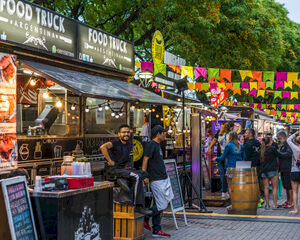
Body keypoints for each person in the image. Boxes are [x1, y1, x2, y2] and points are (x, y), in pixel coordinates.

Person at [100, 124, 151, 215]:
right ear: (119, 134)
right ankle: (138, 206)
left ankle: (122, 180)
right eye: (124, 132)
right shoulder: (115, 142)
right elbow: (103, 147)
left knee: (144, 173)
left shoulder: (129, 144)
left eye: (128, 132)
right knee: (136, 176)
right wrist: (110, 160)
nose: (126, 134)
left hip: (122, 170)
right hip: (113, 170)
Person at [142, 125, 173, 238]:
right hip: (156, 179)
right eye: (163, 133)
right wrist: (144, 175)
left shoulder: (157, 145)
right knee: (161, 204)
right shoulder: (151, 144)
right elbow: (145, 159)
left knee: (160, 203)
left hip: (162, 177)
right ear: (158, 134)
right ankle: (144, 217)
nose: (165, 135)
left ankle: (157, 229)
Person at [215, 131, 246, 209]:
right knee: (239, 186)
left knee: (231, 187)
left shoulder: (228, 146)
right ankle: (240, 203)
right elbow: (244, 157)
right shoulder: (241, 146)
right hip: (239, 168)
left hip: (231, 168)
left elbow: (222, 157)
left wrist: (216, 158)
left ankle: (233, 204)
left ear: (230, 137)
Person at [208, 122, 234, 197]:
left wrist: (210, 148)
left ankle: (224, 191)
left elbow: (214, 141)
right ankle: (227, 191)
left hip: (220, 156)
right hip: (227, 156)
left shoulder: (219, 134)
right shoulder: (230, 135)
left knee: (222, 174)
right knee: (227, 174)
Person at [244, 128, 264, 207]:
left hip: (251, 165)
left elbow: (247, 156)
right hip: (258, 164)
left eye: (246, 133)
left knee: (253, 183)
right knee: (257, 182)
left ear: (250, 134)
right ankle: (259, 198)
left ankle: (258, 200)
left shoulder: (247, 144)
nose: (245, 134)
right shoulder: (258, 142)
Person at [260, 137, 279, 210]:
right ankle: (275, 205)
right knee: (274, 187)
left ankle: (267, 205)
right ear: (270, 142)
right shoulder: (273, 149)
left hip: (264, 170)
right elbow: (278, 155)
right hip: (273, 169)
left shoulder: (261, 150)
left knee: (266, 188)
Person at [277, 132, 293, 208]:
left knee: (289, 186)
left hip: (287, 168)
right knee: (286, 186)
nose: (279, 140)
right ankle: (288, 200)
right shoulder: (283, 145)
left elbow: (289, 154)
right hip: (283, 168)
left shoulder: (288, 144)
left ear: (284, 137)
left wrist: (279, 154)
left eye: (279, 138)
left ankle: (291, 202)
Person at [287, 131, 300, 214]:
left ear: (296, 142)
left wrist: (295, 133)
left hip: (295, 171)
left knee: (295, 191)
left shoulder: (295, 148)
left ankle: (295, 209)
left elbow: (288, 140)